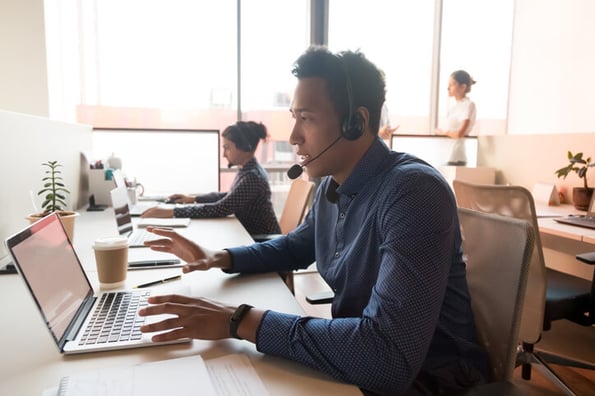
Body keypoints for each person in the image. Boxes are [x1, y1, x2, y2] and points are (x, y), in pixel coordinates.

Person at [138, 47, 488, 395]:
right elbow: (294, 246)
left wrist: (239, 320)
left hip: (430, 379)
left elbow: (389, 359)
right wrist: (221, 257)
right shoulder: (332, 187)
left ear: (356, 123)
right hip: (362, 361)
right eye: (294, 117)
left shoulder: (413, 191)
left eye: (306, 118)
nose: (292, 136)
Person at [141, 121, 281, 236]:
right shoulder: (248, 169)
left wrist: (172, 212)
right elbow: (229, 196)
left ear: (245, 148)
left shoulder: (252, 176)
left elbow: (222, 208)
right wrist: (193, 199)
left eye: (227, 148)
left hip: (262, 242)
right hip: (250, 236)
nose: (224, 154)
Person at [435, 70, 477, 166]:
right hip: (447, 154)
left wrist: (444, 132)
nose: (448, 88)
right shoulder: (453, 107)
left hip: (457, 157)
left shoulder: (469, 105)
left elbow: (460, 133)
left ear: (463, 87)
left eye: (452, 84)